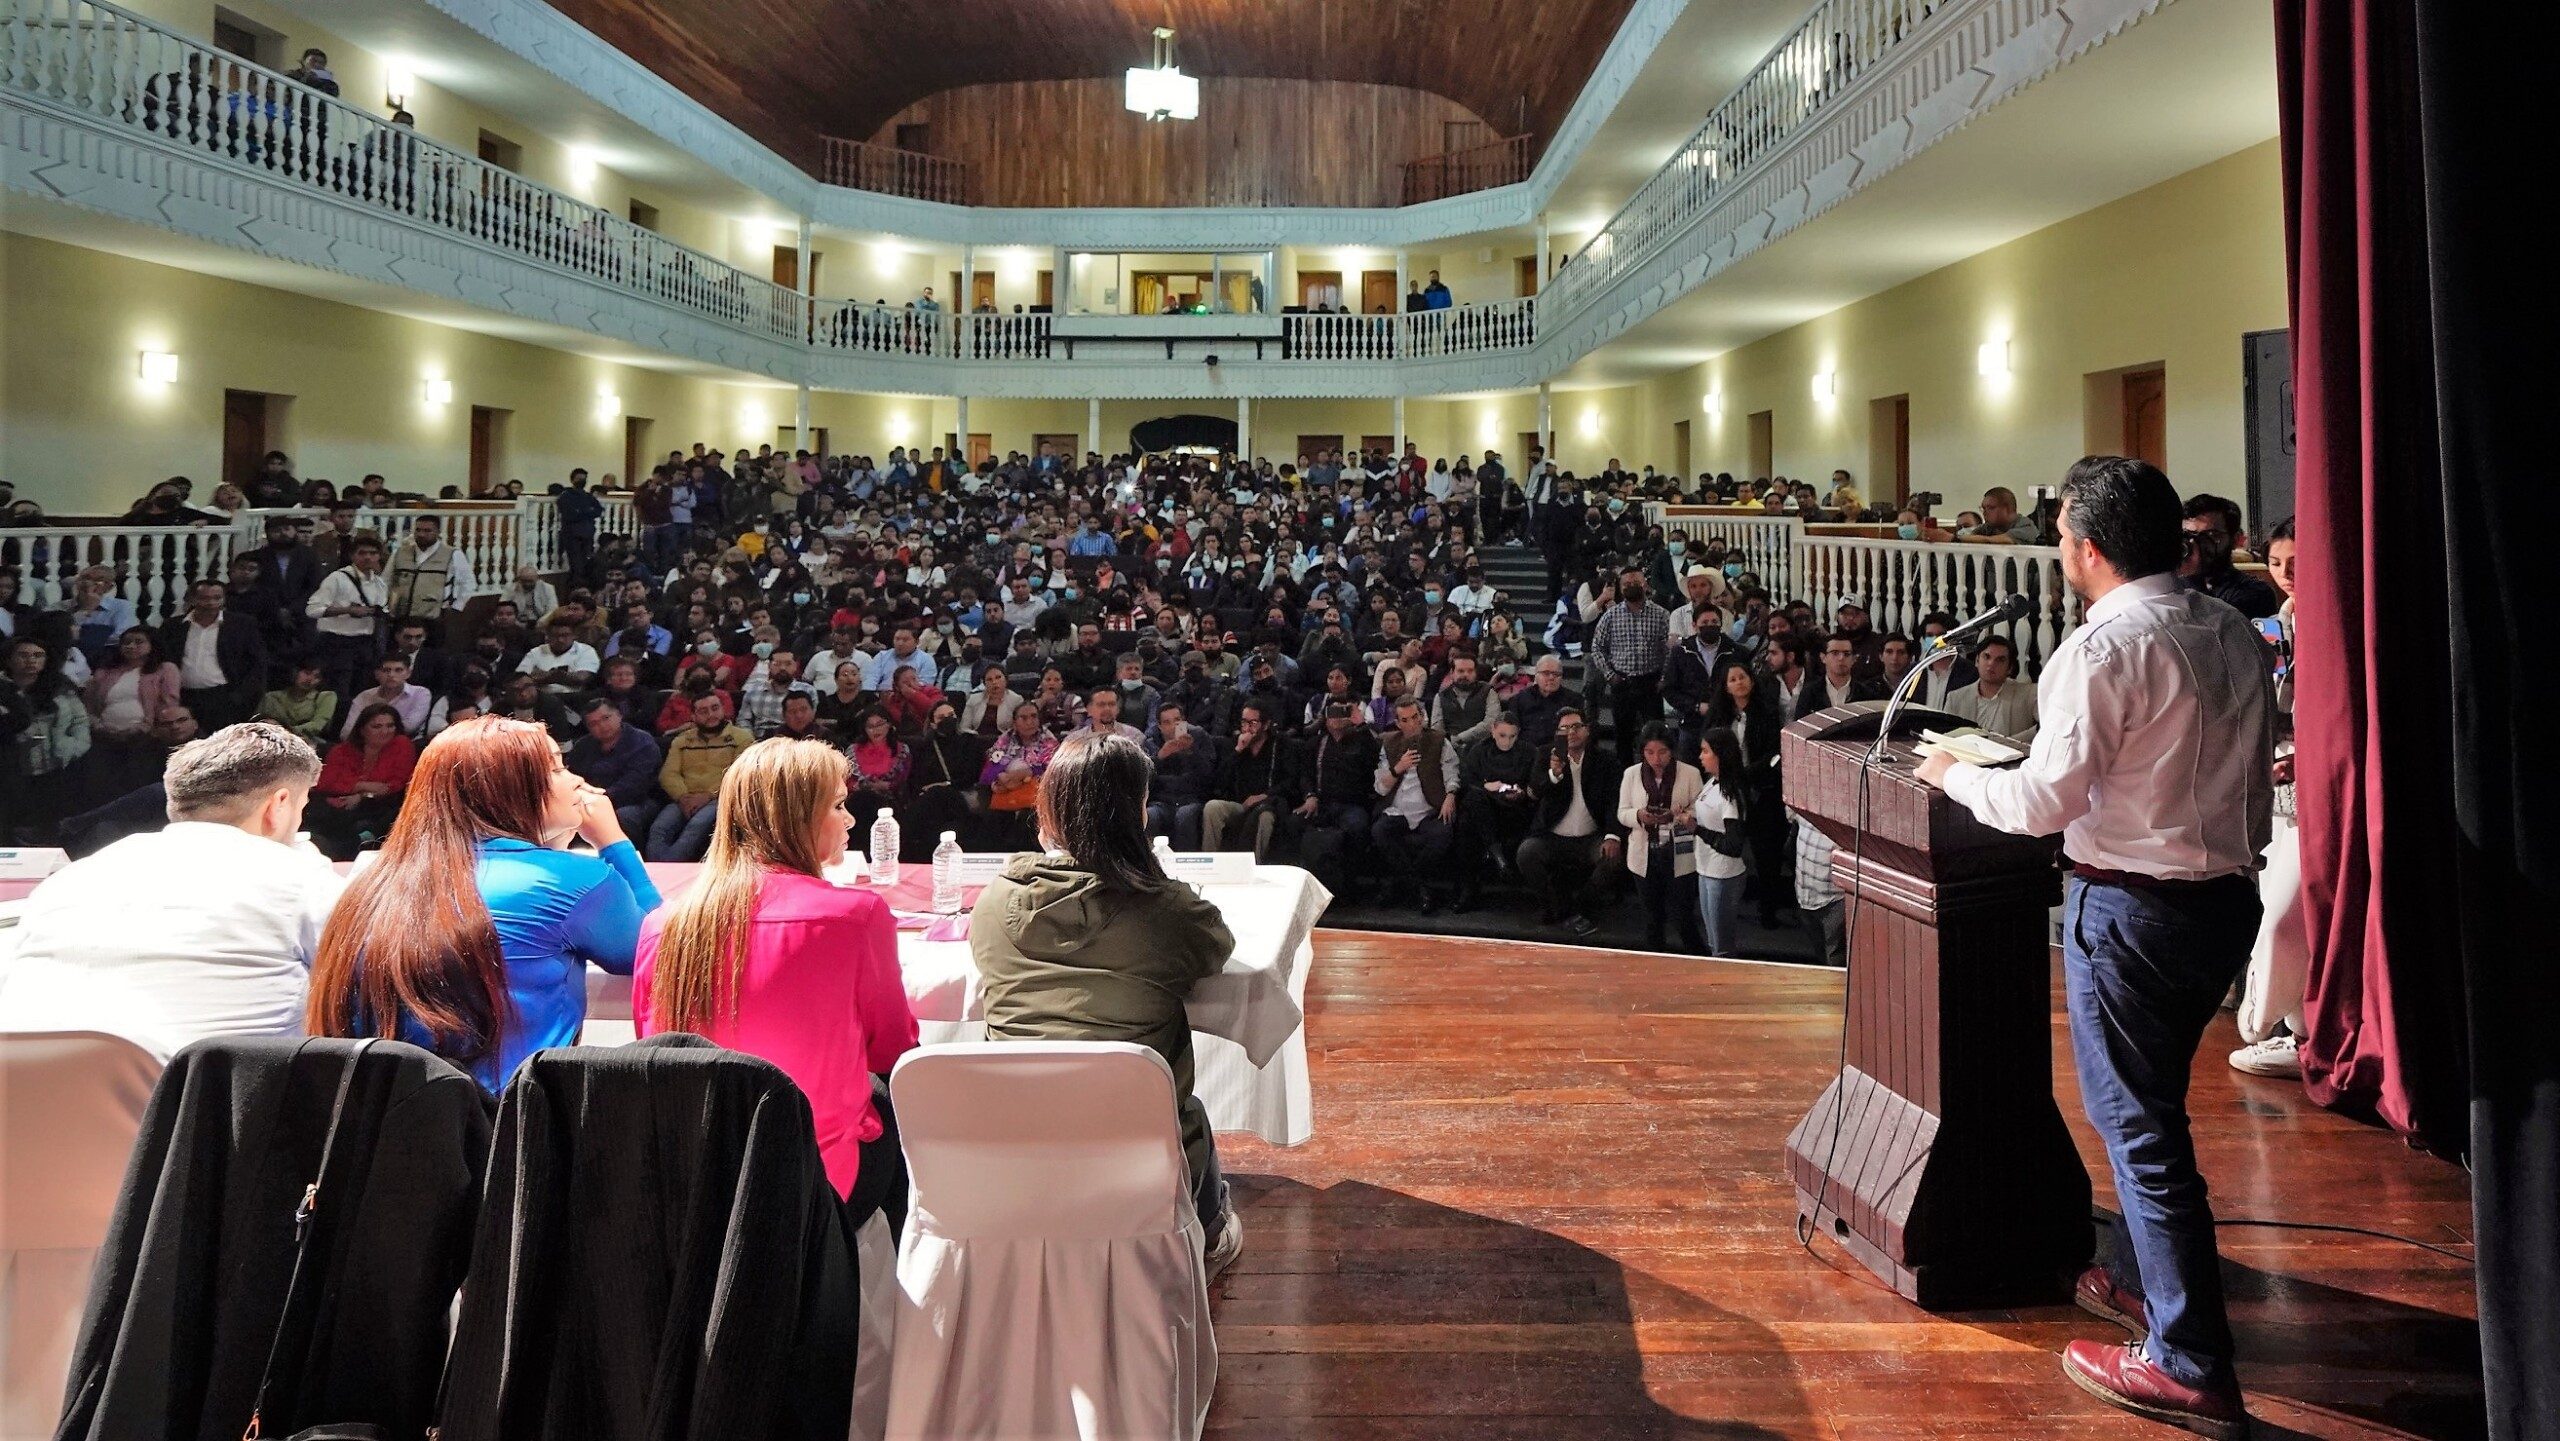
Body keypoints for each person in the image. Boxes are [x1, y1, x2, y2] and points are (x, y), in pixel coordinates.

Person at [1914, 456, 2272, 1437]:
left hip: (2133, 910)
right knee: (2151, 1109)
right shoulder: (2232, 628)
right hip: (2222, 902)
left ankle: (2189, 1361)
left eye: (2065, 535)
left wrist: (1951, 773)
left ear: (2091, 547)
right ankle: (2145, 1284)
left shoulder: (2100, 650)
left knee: (2141, 1130)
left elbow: (2039, 805)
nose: (2062, 550)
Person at [970, 732, 1246, 1279]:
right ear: (1136, 812)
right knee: (1184, 1109)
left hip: (1017, 1152)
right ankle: (1206, 1233)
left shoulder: (995, 902)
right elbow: (1216, 947)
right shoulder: (1166, 912)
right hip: (1140, 1161)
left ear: (1049, 808)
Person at [636, 739, 919, 1218]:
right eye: (838, 805)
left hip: (693, 1178)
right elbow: (892, 1050)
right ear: (797, 815)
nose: (849, 819)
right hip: (818, 1177)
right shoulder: (857, 916)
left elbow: (655, 1047)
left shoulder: (664, 924)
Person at [308, 715, 662, 1094]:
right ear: (509, 791)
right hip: (505, 1123)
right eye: (557, 768)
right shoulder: (571, 879)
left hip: (381, 1115)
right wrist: (614, 843)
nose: (577, 781)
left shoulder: (371, 882)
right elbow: (658, 951)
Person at [0, 724, 341, 1058]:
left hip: (28, 1100)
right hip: (204, 1107)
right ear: (279, 805)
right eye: (302, 806)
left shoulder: (66, 882)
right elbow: (368, 988)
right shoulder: (304, 880)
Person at [2231, 517, 2306, 1079]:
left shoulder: (2339, 623)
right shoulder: (2269, 628)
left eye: (2297, 564)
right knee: (2282, 913)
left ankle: (2266, 1021)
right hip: (2276, 790)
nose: (2285, 576)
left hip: (2319, 785)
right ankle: (2297, 1034)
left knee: (2289, 915)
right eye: (2277, 564)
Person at [1517, 709, 1622, 937]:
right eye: (1564, 729)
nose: (1571, 733)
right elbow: (1534, 793)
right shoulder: (1546, 754)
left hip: (1590, 836)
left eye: (1576, 727)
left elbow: (1615, 800)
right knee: (1527, 853)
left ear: (1587, 730)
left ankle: (1580, 907)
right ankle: (1559, 907)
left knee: (1612, 857)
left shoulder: (1605, 760)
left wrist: (1612, 835)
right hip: (1552, 836)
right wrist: (1555, 774)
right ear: (1557, 733)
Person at [1369, 696, 1460, 913]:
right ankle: (1420, 886)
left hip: (1429, 808)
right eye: (1405, 720)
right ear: (1398, 723)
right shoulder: (1389, 743)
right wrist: (1398, 767)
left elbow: (1452, 771)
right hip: (1397, 809)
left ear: (1422, 717)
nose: (1412, 724)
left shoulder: (1439, 740)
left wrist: (1451, 794)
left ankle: (1402, 882)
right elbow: (1380, 788)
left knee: (1443, 834)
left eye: (1415, 717)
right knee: (1379, 831)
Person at [1617, 723, 1704, 952]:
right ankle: (1654, 960)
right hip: (1644, 851)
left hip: (1679, 850)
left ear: (1672, 750)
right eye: (1650, 752)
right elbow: (1622, 812)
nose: (1656, 759)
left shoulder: (1690, 773)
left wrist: (1676, 816)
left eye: (1662, 752)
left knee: (1682, 914)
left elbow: (1701, 811)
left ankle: (1697, 958)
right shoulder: (1631, 774)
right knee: (1652, 917)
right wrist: (1639, 815)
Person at [650, 691, 754, 861]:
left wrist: (707, 796)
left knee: (696, 826)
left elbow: (739, 775)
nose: (711, 715)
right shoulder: (682, 740)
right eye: (703, 711)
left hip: (720, 798)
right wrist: (683, 797)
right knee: (659, 828)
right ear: (693, 716)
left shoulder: (742, 738)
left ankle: (669, 873)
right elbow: (668, 774)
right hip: (685, 798)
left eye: (715, 708)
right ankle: (654, 875)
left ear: (723, 709)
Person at [3, 636, 89, 843]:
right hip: (11, 768)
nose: (31, 661)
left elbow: (80, 721)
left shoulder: (60, 686)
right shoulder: (2, 687)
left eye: (38, 655)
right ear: (9, 659)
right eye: (23, 655)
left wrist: (74, 746)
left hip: (55, 765)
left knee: (50, 824)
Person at [1452, 715, 1539, 911]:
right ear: (1492, 731)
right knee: (1473, 804)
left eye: (1512, 736)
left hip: (1515, 810)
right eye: (1502, 735)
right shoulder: (1478, 751)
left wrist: (1522, 792)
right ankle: (1496, 857)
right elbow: (1466, 781)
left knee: (1470, 815)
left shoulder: (1529, 752)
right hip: (1485, 809)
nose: (1507, 741)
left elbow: (1534, 784)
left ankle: (1493, 856)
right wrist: (1486, 786)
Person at [307, 702, 415, 857]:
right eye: (377, 726)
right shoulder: (342, 750)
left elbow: (394, 786)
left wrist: (361, 795)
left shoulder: (402, 745)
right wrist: (363, 785)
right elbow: (325, 782)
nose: (385, 731)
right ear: (362, 730)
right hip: (334, 803)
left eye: (390, 726)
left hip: (381, 805)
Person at [161, 579, 265, 733]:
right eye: (204, 598)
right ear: (192, 599)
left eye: (217, 598)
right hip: (184, 696)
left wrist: (241, 696)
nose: (210, 603)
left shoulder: (241, 624)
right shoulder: (174, 626)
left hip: (222, 696)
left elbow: (257, 662)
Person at [1200, 697, 1295, 859]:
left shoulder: (1281, 745)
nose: (1247, 728)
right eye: (1244, 722)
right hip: (1240, 804)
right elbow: (1219, 781)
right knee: (1212, 807)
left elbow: (1290, 781)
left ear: (1265, 725)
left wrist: (1263, 796)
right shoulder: (1235, 744)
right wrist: (1238, 750)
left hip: (1268, 804)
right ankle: (1209, 863)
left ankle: (1258, 867)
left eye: (1253, 723)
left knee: (1264, 817)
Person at [305, 530, 389, 699]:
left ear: (379, 557)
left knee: (362, 691)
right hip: (337, 643)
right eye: (362, 553)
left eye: (373, 553)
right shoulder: (337, 578)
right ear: (352, 556)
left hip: (366, 643)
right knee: (337, 693)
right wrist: (347, 610)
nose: (368, 557)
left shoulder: (379, 583)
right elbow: (312, 610)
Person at [566, 695, 664, 837]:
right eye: (594, 724)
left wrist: (599, 800)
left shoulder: (642, 741)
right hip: (589, 801)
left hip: (638, 801)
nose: (602, 726)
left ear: (619, 715)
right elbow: (572, 778)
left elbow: (635, 785)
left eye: (606, 718)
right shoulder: (582, 746)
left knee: (621, 817)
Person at [1691, 728, 1751, 955]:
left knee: (1722, 945)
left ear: (1720, 754)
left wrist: (1696, 828)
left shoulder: (1730, 793)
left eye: (1705, 751)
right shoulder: (1712, 783)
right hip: (1706, 868)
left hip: (1723, 874)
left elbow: (1733, 845)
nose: (1700, 756)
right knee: (1712, 939)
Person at [2178, 494, 2282, 619]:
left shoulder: (2255, 592)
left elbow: (2210, 628)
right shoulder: (2170, 584)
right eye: (2189, 535)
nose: (2196, 543)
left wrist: (2192, 574)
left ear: (2235, 539)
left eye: (2211, 535)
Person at [978, 699, 1057, 846]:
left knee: (1027, 819)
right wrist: (1002, 777)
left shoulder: (1048, 739)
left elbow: (1050, 768)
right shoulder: (1005, 739)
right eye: (1024, 718)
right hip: (1005, 791)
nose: (1030, 721)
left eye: (1034, 716)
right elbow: (991, 766)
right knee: (994, 818)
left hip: (1036, 793)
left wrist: (1022, 774)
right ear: (1014, 722)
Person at [384, 514, 476, 640]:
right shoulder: (400, 553)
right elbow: (386, 580)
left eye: (427, 530)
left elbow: (468, 583)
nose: (421, 534)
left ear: (438, 532)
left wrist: (456, 607)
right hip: (402, 616)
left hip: (433, 618)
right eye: (418, 530)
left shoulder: (452, 554)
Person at [1941, 634, 2040, 741]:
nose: (1991, 663)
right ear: (1977, 661)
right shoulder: (1956, 698)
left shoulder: (2028, 694)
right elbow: (1946, 738)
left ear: (2010, 668)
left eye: (2000, 660)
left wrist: (2010, 742)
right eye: (1987, 657)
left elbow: (2049, 725)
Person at [340, 652, 432, 739]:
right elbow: (346, 733)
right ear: (376, 674)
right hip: (365, 746)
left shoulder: (420, 693)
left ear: (408, 673)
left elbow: (409, 728)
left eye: (398, 670)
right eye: (386, 670)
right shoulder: (364, 696)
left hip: (401, 745)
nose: (391, 675)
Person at [255, 658, 338, 742]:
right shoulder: (272, 697)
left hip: (307, 742)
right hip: (270, 740)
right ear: (295, 672)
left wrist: (285, 730)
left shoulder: (325, 696)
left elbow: (317, 725)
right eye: (306, 673)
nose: (309, 679)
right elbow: (257, 723)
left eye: (316, 677)